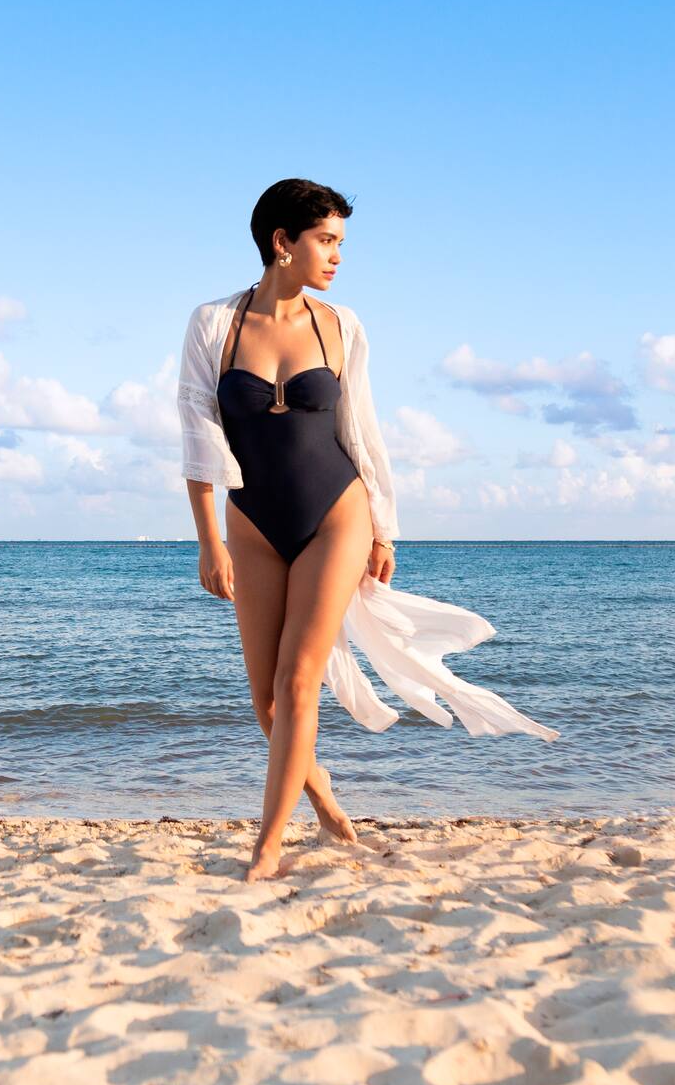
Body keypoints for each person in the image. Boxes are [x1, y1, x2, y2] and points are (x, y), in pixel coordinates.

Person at [177, 178, 561, 882]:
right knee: (267, 704)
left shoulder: (342, 325)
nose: (337, 256)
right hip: (252, 523)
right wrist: (208, 538)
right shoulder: (213, 324)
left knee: (298, 684)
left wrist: (383, 528)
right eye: (326, 241)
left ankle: (267, 848)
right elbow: (199, 430)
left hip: (336, 512)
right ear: (281, 242)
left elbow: (362, 430)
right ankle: (324, 803)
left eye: (341, 243)